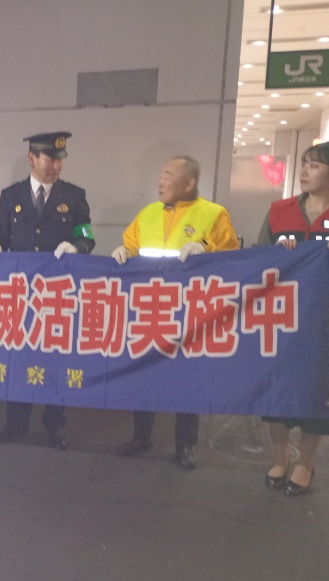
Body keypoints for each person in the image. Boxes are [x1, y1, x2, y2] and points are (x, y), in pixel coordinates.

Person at [111, 155, 239, 469]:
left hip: (190, 312)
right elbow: (131, 244)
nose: (160, 181)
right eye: (160, 175)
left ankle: (185, 446)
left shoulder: (213, 214)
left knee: (187, 379)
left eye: (168, 175)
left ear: (189, 182)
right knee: (145, 374)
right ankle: (141, 437)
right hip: (150, 308)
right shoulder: (148, 213)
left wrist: (205, 247)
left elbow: (232, 255)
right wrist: (124, 250)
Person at [0, 131, 95, 450]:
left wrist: (76, 247)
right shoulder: (11, 196)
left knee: (56, 359)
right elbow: (0, 235)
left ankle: (55, 421)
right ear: (32, 158)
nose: (56, 165)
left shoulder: (74, 196)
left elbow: (86, 236)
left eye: (60, 160)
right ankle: (15, 422)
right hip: (20, 294)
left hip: (56, 294)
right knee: (18, 357)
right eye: (50, 159)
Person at [258, 141, 329, 495]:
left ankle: (305, 464)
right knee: (279, 386)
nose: (304, 171)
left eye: (314, 165)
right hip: (283, 314)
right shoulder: (279, 212)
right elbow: (258, 259)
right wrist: (278, 256)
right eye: (303, 164)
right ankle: (280, 457)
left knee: (320, 388)